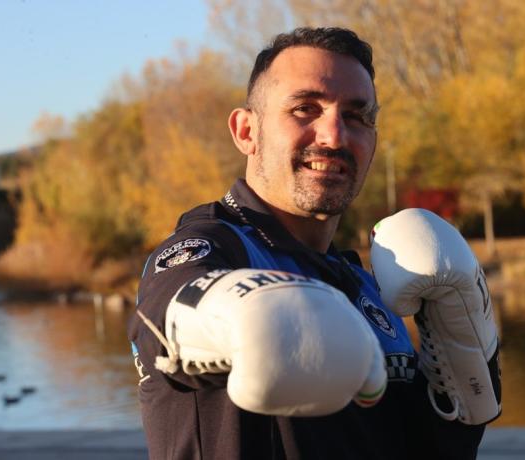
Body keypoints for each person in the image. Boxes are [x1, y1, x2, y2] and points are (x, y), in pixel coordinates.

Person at [128, 27, 499, 459]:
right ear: (246, 131)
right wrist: (245, 311)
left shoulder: (365, 286)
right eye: (305, 109)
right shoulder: (211, 246)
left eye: (357, 116)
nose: (334, 135)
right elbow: (165, 316)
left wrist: (468, 361)